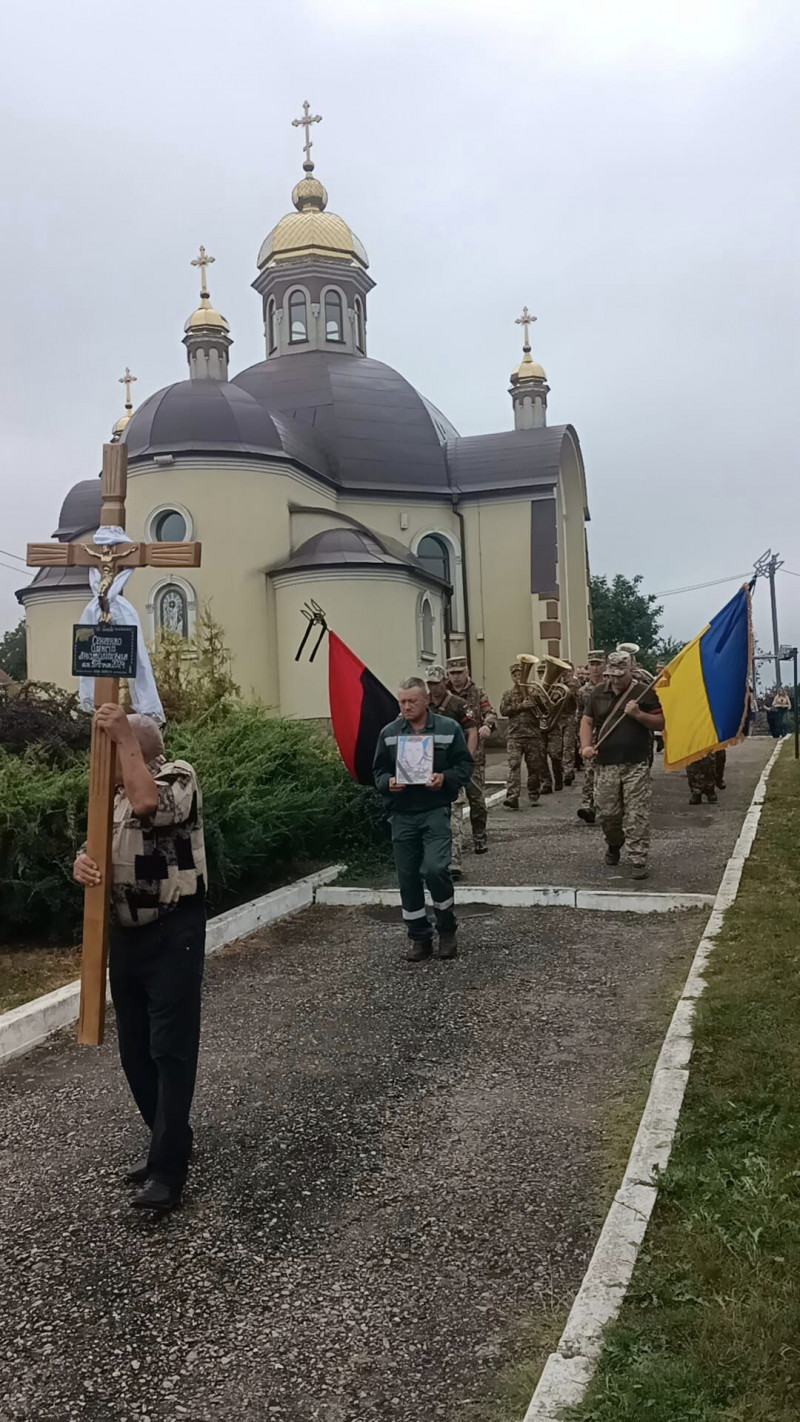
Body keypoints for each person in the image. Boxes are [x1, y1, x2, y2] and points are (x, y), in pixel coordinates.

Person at [73, 708, 207, 1212]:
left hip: (173, 931)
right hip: (126, 938)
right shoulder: (108, 799)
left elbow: (148, 802)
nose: (106, 757)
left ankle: (169, 1173)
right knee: (135, 1052)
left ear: (141, 746)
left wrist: (122, 733)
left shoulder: (179, 776)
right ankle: (166, 1144)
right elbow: (93, 850)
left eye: (116, 747)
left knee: (170, 1050)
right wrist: (81, 862)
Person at [374, 677, 473, 962]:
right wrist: (387, 782)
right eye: (401, 701)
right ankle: (419, 938)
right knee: (407, 879)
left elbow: (465, 765)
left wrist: (445, 778)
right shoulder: (389, 733)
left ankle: (446, 930)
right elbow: (378, 770)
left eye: (411, 701)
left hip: (434, 812)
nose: (405, 706)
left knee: (434, 869)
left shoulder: (447, 728)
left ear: (426, 700)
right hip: (402, 815)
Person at [579, 651, 665, 880]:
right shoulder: (598, 693)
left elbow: (660, 722)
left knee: (637, 813)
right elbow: (587, 721)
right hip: (605, 763)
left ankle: (638, 858)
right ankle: (614, 843)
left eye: (620, 675)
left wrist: (638, 715)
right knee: (608, 814)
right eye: (611, 675)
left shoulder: (643, 693)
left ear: (630, 671)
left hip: (635, 763)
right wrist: (585, 746)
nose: (615, 680)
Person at [426, 665, 477, 881]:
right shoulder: (424, 704)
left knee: (455, 813)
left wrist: (467, 759)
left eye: (437, 684)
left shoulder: (458, 704)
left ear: (444, 682)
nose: (434, 688)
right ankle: (432, 861)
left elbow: (472, 731)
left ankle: (454, 862)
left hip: (452, 767)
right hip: (428, 769)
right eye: (430, 684)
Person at [446, 655, 497, 854]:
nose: (456, 677)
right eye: (452, 673)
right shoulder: (444, 694)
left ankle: (479, 837)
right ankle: (452, 843)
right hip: (449, 757)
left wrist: (487, 725)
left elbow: (489, 712)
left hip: (473, 756)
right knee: (451, 802)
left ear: (467, 672)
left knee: (476, 800)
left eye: (460, 672)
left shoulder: (477, 693)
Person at [499, 658, 546, 809]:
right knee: (514, 766)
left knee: (534, 767)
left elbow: (545, 711)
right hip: (515, 736)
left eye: (521, 674)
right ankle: (512, 796)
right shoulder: (508, 694)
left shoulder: (535, 691)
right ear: (512, 677)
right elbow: (504, 711)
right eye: (516, 675)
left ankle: (533, 795)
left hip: (533, 735)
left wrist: (535, 700)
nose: (519, 677)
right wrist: (521, 706)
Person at [576, 651, 606, 823]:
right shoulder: (583, 691)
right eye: (592, 665)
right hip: (590, 737)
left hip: (608, 735)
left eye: (598, 664)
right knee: (589, 772)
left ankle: (606, 806)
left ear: (604, 665)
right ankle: (588, 806)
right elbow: (579, 716)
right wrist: (580, 741)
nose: (595, 668)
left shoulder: (611, 687)